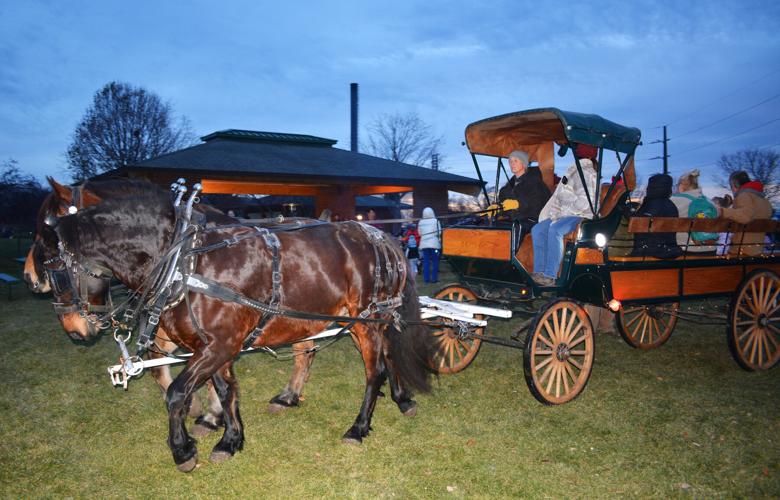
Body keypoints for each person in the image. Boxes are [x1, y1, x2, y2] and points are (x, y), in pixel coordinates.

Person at [530, 143, 599, 286]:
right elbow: (560, 197)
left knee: (555, 229)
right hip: (565, 213)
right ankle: (539, 271)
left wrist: (563, 212)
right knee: (537, 229)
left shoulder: (587, 173)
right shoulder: (574, 170)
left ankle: (550, 275)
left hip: (580, 215)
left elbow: (585, 203)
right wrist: (556, 212)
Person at [717, 171, 773, 256]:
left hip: (741, 250)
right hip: (758, 249)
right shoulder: (764, 200)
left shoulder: (744, 196)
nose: (732, 189)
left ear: (734, 184)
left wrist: (722, 211)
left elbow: (745, 216)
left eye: (731, 186)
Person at [496, 150, 552, 234]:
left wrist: (519, 204)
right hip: (513, 220)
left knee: (513, 229)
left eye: (515, 161)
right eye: (510, 161)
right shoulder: (509, 185)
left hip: (532, 221)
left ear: (524, 163)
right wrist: (497, 208)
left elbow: (539, 204)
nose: (512, 164)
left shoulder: (535, 182)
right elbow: (504, 202)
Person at [631, 173, 682, 259]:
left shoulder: (652, 204)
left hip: (649, 251)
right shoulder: (671, 205)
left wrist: (628, 213)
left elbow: (640, 226)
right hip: (669, 249)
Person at [669, 169, 718, 254]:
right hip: (711, 249)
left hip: (686, 250)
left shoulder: (674, 201)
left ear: (682, 185)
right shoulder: (711, 203)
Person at [418, 207, 442, 283]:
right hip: (434, 245)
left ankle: (426, 279)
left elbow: (419, 233)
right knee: (435, 261)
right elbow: (439, 232)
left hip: (424, 245)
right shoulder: (436, 221)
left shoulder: (420, 222)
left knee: (426, 262)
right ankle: (434, 279)